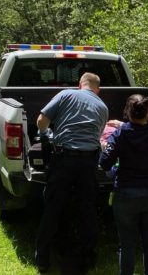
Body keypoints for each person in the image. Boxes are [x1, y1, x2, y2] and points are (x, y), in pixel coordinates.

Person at [35, 72, 109, 273]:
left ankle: (42, 259)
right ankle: (88, 259)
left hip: (64, 159)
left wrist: (45, 135)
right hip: (88, 163)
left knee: (53, 208)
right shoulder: (103, 107)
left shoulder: (66, 94)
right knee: (87, 209)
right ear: (97, 89)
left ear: (80, 85)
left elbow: (42, 120)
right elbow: (98, 134)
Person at [99, 94, 148, 275]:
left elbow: (104, 163)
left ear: (127, 112)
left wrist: (111, 163)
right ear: (147, 112)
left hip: (125, 194)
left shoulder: (119, 134)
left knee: (126, 244)